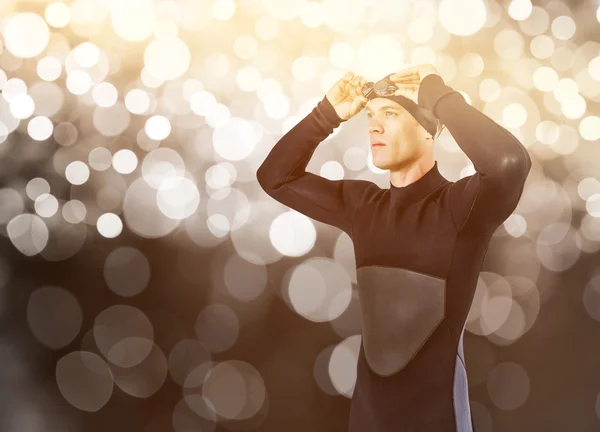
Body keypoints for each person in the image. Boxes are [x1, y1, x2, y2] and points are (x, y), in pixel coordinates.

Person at [256, 64, 532, 431]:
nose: (373, 126)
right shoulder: (363, 208)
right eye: (370, 115)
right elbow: (274, 177)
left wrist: (438, 96)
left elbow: (509, 163)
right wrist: (326, 115)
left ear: (428, 128)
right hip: (367, 420)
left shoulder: (459, 209)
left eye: (390, 113)